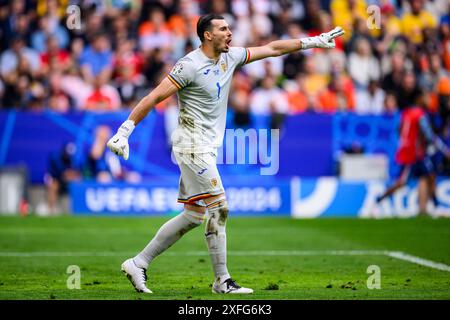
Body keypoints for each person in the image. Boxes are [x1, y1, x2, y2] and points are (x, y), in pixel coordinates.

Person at [107, 14, 344, 294]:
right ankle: (222, 281)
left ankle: (139, 262)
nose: (229, 33)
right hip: (191, 145)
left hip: (205, 147)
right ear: (207, 35)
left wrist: (312, 41)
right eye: (223, 28)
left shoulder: (230, 57)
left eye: (229, 27)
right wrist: (125, 130)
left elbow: (273, 48)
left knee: (194, 215)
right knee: (220, 208)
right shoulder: (189, 66)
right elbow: (154, 97)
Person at [376, 92, 450, 216]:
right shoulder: (420, 115)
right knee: (403, 182)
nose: (429, 101)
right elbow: (429, 135)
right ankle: (379, 200)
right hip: (414, 154)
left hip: (410, 152)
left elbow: (399, 130)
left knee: (428, 176)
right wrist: (444, 150)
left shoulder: (406, 113)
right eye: (426, 97)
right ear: (420, 99)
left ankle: (425, 209)